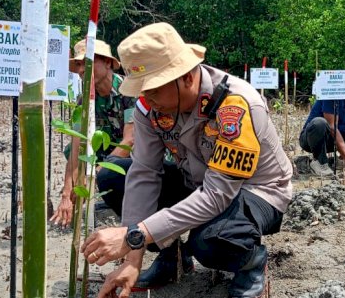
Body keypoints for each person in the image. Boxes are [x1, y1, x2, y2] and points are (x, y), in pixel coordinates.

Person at [80, 22, 293, 298]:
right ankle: (172, 259)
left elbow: (217, 196)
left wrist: (136, 234)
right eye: (142, 91)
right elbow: (144, 172)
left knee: (209, 240)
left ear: (187, 78)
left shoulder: (234, 105)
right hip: (197, 182)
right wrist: (133, 259)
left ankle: (250, 261)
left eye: (154, 90)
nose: (147, 99)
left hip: (254, 191)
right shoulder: (150, 108)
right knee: (114, 177)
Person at [50, 39, 135, 226]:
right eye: (79, 64)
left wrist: (92, 176)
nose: (81, 70)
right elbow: (75, 146)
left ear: (107, 62)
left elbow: (129, 141)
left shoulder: (128, 93)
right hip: (106, 152)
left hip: (132, 155)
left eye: (87, 63)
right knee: (73, 152)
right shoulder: (84, 101)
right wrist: (66, 193)